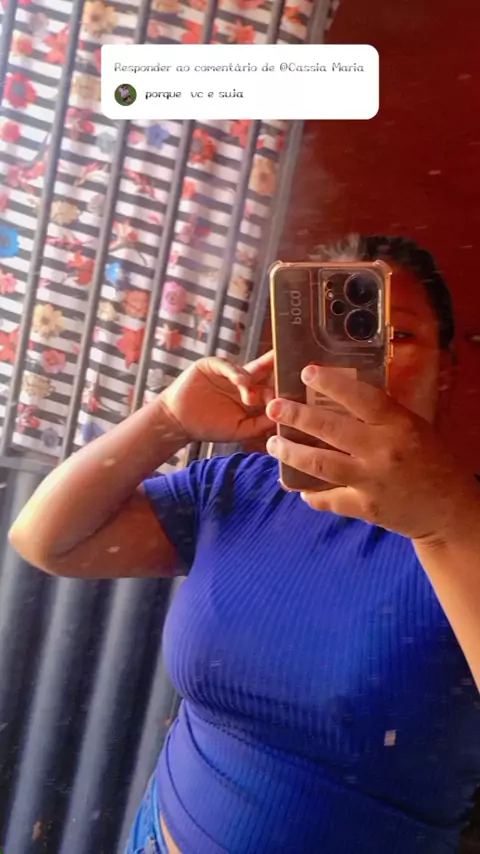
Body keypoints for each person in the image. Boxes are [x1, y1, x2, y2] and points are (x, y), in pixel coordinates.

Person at [8, 235, 480, 854]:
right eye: (334, 338)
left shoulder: (468, 524)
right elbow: (47, 540)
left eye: (399, 336)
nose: (367, 363)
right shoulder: (241, 488)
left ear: (447, 370)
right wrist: (167, 419)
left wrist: (446, 522)